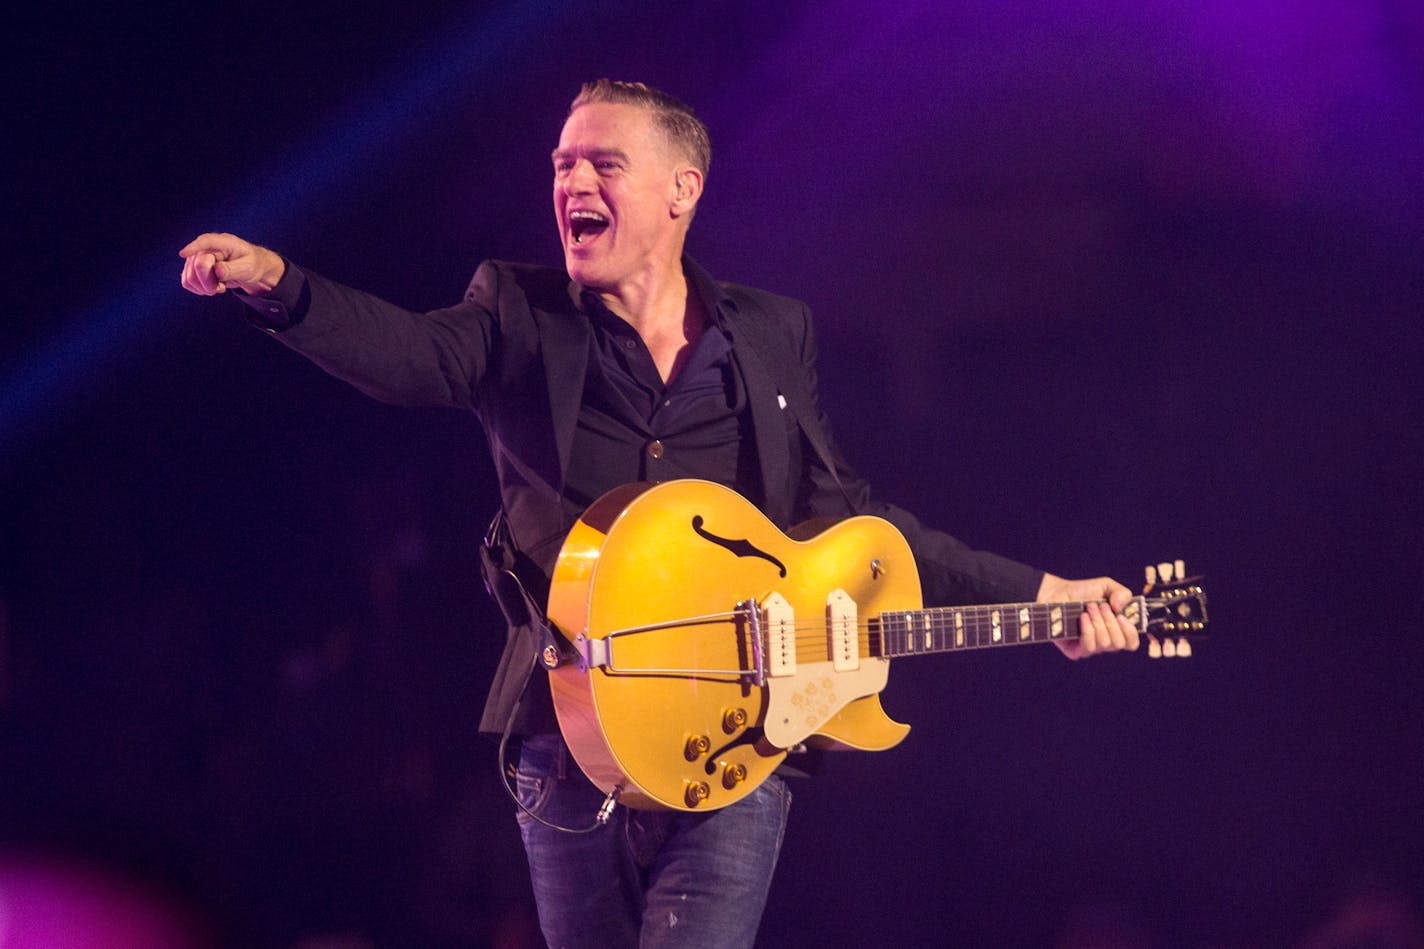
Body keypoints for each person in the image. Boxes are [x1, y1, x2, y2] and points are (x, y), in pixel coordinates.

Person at [179, 79, 1141, 949]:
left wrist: (1048, 593)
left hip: (739, 738)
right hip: (572, 739)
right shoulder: (517, 311)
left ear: (681, 190)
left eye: (604, 162)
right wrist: (284, 288)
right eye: (562, 164)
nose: (572, 182)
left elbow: (854, 525)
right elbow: (407, 355)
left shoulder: (768, 334)